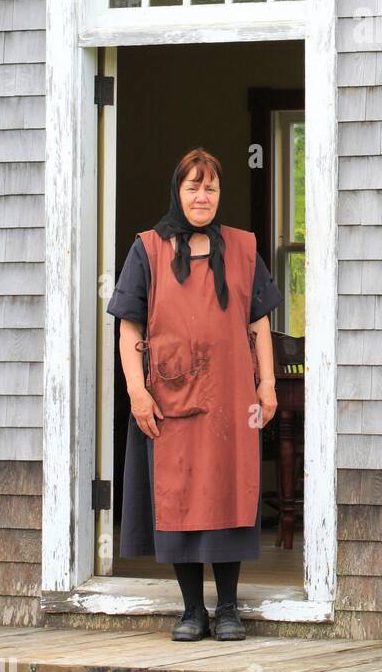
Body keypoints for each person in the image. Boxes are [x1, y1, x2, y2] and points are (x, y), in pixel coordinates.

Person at [107, 147, 282, 641]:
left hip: (232, 398)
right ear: (177, 191)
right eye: (193, 187)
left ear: (219, 194)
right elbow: (128, 326)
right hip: (171, 398)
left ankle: (228, 608)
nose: (202, 196)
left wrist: (266, 384)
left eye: (211, 187)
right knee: (181, 496)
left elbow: (259, 322)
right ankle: (191, 610)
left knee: (229, 491)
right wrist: (137, 392)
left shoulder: (244, 248)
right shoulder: (147, 248)